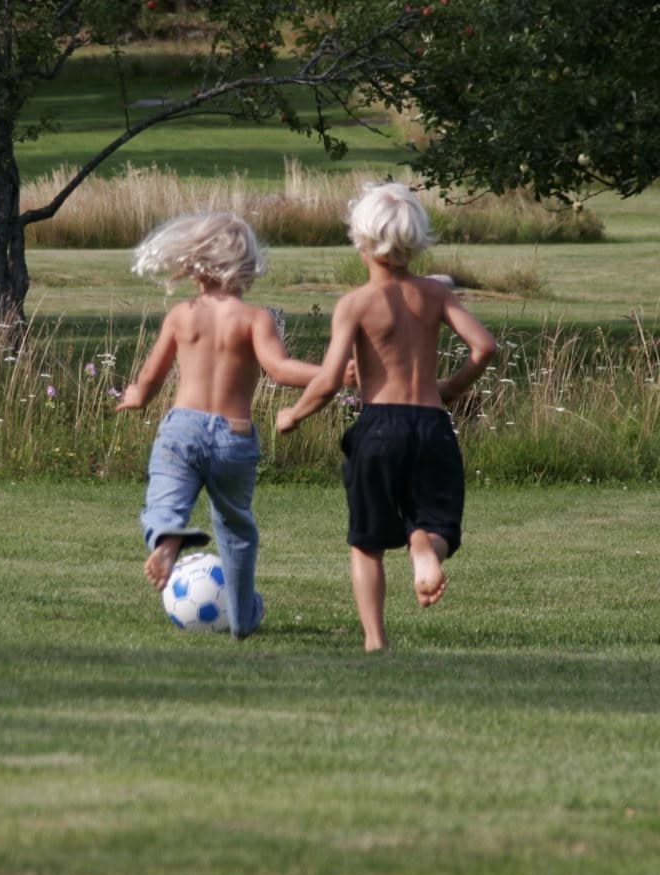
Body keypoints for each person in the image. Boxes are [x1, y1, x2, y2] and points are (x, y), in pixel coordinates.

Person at [276, 182, 497, 651]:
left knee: (367, 542)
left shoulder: (355, 304)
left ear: (360, 240)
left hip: (378, 428)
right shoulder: (436, 296)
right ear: (416, 239)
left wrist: (293, 414)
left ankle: (375, 641)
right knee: (437, 523)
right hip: (432, 424)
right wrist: (453, 387)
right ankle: (424, 548)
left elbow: (331, 380)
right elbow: (484, 347)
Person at [117, 212, 321, 639]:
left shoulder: (182, 315)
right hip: (235, 435)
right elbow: (280, 370)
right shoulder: (255, 318)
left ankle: (168, 537)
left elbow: (152, 376)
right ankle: (243, 619)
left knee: (164, 499)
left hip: (182, 428)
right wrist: (330, 374)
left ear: (193, 264)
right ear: (246, 265)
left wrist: (136, 396)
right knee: (237, 529)